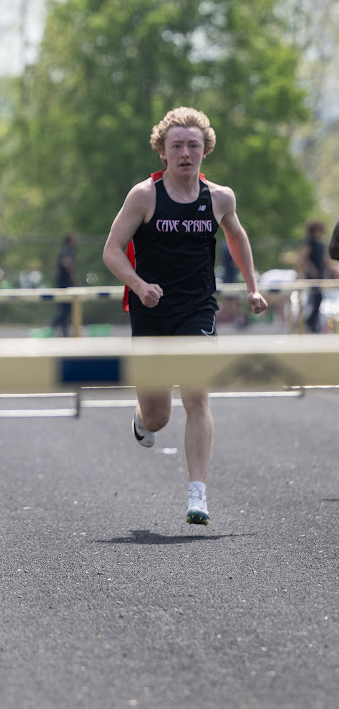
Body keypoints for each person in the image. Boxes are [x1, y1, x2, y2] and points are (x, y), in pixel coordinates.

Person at [102, 107, 267, 525]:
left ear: (205, 150)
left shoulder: (220, 198)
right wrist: (139, 285)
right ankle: (142, 420)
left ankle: (198, 494)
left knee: (197, 393)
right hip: (152, 311)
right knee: (159, 415)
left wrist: (252, 286)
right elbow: (112, 250)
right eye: (176, 146)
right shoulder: (144, 196)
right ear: (162, 152)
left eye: (193, 145)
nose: (185, 153)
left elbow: (237, 236)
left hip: (198, 309)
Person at [297, 220, 336, 333]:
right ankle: (309, 323)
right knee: (313, 299)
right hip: (312, 277)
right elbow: (303, 258)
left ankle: (312, 323)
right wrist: (311, 269)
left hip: (320, 276)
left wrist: (333, 270)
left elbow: (325, 259)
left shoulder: (320, 244)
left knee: (318, 299)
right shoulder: (309, 243)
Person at [51, 232, 78, 336]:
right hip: (65, 283)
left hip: (63, 282)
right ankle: (52, 324)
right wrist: (73, 279)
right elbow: (67, 263)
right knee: (65, 308)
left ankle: (64, 332)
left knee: (65, 308)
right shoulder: (67, 250)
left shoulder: (65, 250)